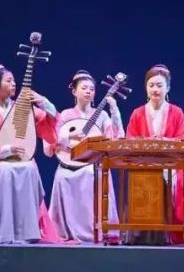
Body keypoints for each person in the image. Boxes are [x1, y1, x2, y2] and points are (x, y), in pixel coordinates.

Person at [0, 59, 61, 243]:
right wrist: (5, 150)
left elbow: (48, 124)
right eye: (8, 81)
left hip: (23, 161)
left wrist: (44, 102)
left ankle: (27, 231)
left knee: (30, 168)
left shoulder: (23, 109)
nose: (13, 84)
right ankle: (4, 230)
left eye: (14, 80)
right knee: (5, 170)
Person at [46, 70, 125, 242]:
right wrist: (69, 137)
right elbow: (51, 140)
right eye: (84, 88)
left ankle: (96, 228)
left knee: (91, 173)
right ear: (74, 91)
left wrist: (114, 109)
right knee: (62, 176)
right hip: (69, 161)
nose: (89, 91)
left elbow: (116, 137)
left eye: (92, 89)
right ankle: (65, 229)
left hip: (93, 164)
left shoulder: (102, 115)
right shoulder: (65, 115)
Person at [125, 64, 184, 245]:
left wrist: (164, 142)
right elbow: (130, 140)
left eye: (159, 85)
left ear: (168, 88)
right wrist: (147, 145)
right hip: (144, 164)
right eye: (151, 85)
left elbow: (182, 140)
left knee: (170, 177)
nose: (155, 89)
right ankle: (140, 234)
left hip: (171, 165)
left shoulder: (176, 112)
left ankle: (167, 233)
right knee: (143, 176)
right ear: (146, 88)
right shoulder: (137, 113)